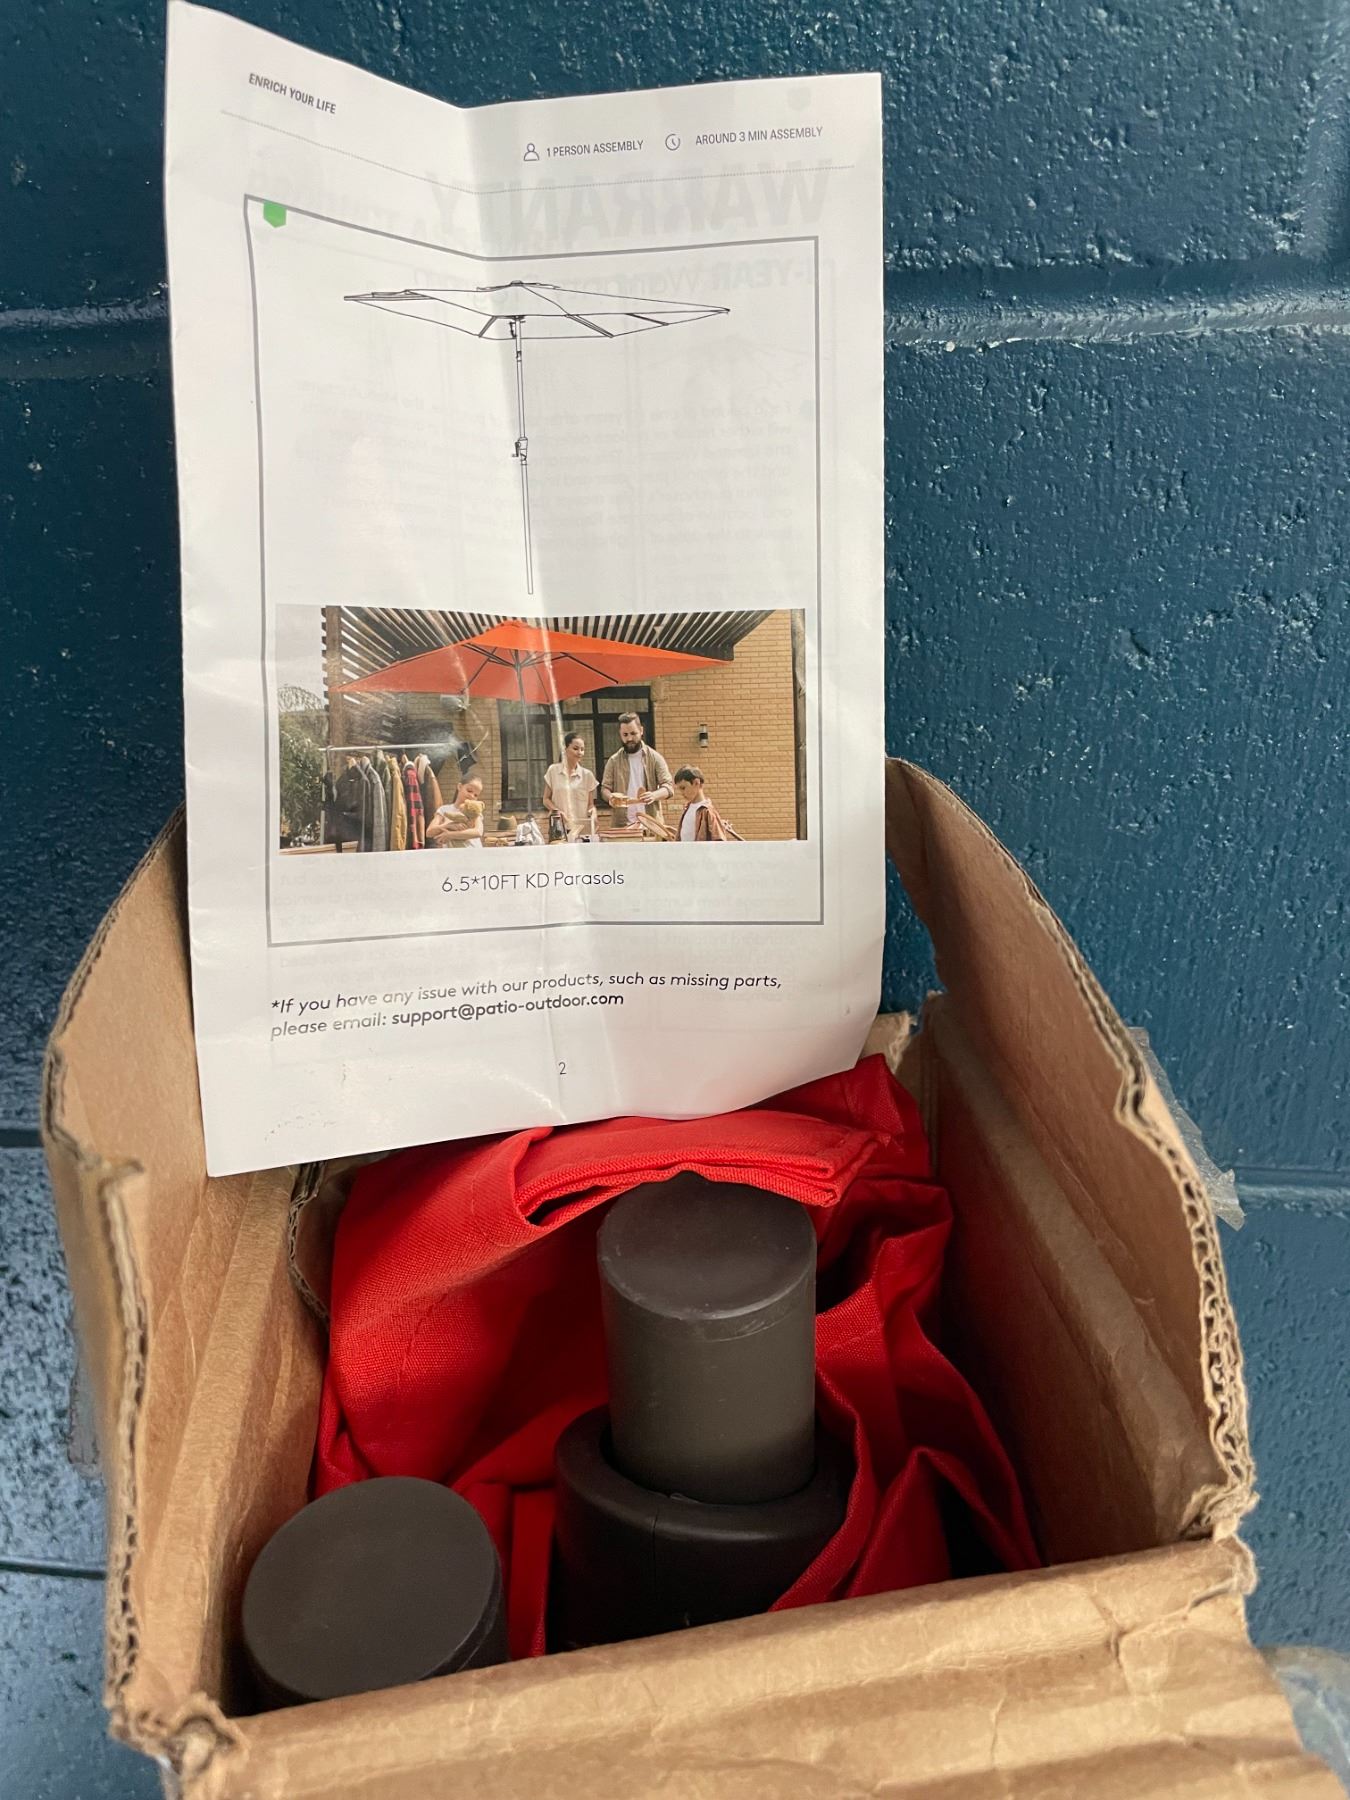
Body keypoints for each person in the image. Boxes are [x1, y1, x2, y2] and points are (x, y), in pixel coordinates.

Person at [601, 714, 674, 828]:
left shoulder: (655, 758)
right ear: (620, 734)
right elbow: (605, 789)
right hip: (622, 826)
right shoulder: (613, 761)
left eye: (633, 733)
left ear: (641, 731)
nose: (629, 738)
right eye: (625, 735)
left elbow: (668, 788)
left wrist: (654, 795)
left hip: (651, 825)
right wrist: (611, 797)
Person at [543, 733, 599, 840]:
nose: (580, 752)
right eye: (575, 748)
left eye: (582, 749)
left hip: (582, 830)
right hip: (559, 829)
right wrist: (557, 811)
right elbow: (545, 799)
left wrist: (593, 812)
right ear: (565, 749)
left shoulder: (587, 775)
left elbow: (590, 804)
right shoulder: (553, 771)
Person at [427, 773, 485, 848]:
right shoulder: (444, 810)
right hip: (451, 854)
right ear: (460, 787)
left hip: (472, 852)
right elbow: (429, 832)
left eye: (476, 795)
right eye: (469, 791)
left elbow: (478, 832)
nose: (472, 796)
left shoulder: (473, 811)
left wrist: (450, 835)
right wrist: (448, 826)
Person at [673, 767, 728, 841]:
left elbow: (719, 840)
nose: (682, 793)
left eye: (683, 788)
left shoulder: (708, 811)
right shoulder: (687, 809)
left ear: (696, 783)